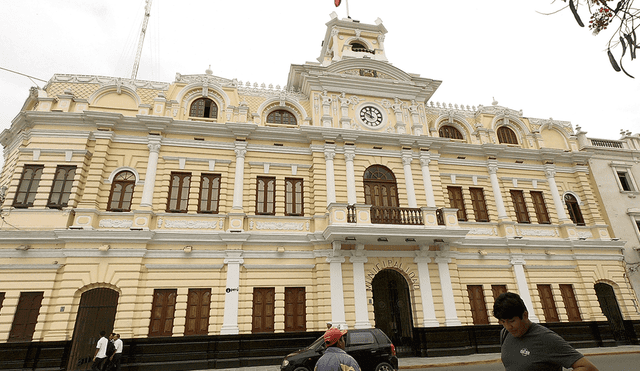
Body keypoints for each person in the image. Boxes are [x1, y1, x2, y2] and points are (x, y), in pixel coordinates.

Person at [493, 292, 599, 371]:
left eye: (512, 321)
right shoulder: (505, 333)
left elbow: (588, 368)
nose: (508, 326)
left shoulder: (546, 338)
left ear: (525, 315)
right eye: (503, 322)